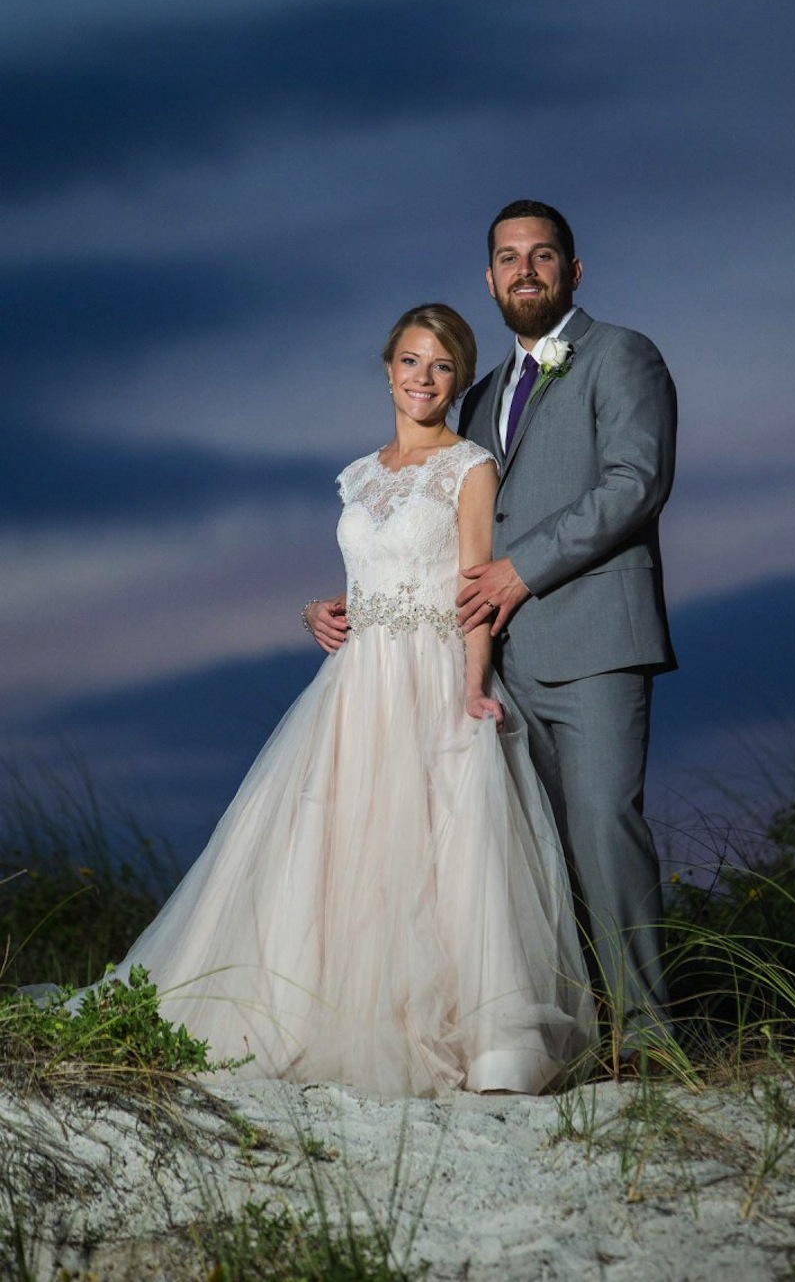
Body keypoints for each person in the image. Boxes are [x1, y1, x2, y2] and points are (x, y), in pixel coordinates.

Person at [96, 303, 594, 1098]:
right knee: (336, 853)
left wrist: (473, 685)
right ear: (389, 368)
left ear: (457, 378)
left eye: (439, 366)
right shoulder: (359, 474)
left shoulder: (469, 466)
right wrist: (314, 609)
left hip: (431, 675)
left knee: (439, 859)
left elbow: (469, 587)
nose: (422, 378)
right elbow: (375, 577)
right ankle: (308, 1018)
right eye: (409, 361)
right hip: (357, 682)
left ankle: (486, 1043)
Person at [455, 201, 677, 1067]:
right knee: (530, 858)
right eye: (509, 257)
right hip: (499, 665)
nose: (525, 270)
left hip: (596, 643)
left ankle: (653, 1040)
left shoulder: (623, 355)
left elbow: (635, 482)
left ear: (572, 271)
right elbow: (450, 524)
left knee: (601, 828)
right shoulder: (477, 397)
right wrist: (349, 601)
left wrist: (524, 568)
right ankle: (577, 1039)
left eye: (542, 255)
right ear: (489, 279)